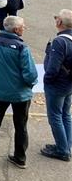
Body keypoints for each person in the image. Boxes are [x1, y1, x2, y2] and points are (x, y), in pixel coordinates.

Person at [0, 16, 38, 169]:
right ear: (16, 29)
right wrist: (31, 84)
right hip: (20, 94)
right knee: (21, 125)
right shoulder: (22, 47)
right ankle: (20, 157)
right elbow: (30, 74)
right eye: (23, 26)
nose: (24, 28)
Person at [42, 9, 72, 161]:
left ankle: (62, 150)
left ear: (60, 22)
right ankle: (66, 145)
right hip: (68, 84)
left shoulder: (60, 42)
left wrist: (47, 80)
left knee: (55, 116)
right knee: (66, 115)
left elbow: (53, 68)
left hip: (57, 85)